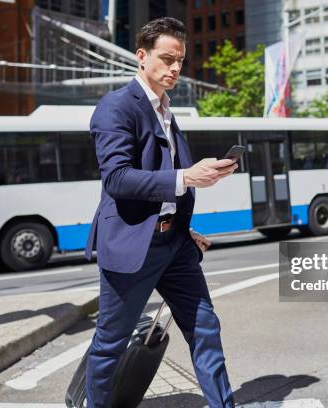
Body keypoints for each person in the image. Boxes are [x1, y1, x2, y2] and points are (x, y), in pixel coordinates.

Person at [83, 17, 237, 408]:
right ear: (141, 56)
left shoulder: (169, 112)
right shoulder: (115, 106)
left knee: (205, 329)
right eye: (166, 58)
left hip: (175, 245)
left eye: (180, 61)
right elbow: (118, 178)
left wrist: (186, 228)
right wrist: (187, 176)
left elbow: (169, 188)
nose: (174, 68)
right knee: (109, 345)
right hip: (133, 246)